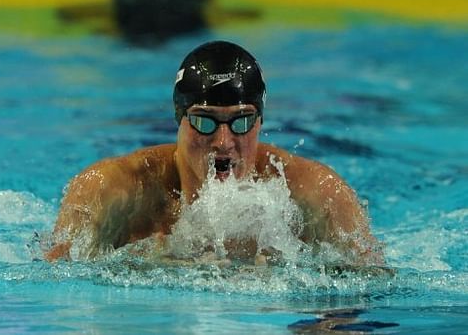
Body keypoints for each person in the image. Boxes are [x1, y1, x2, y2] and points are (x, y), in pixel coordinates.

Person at [46, 40, 384, 266]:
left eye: (241, 122)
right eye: (205, 123)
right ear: (179, 118)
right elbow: (54, 285)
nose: (223, 142)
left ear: (260, 121)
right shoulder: (110, 191)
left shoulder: (317, 194)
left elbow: (374, 288)